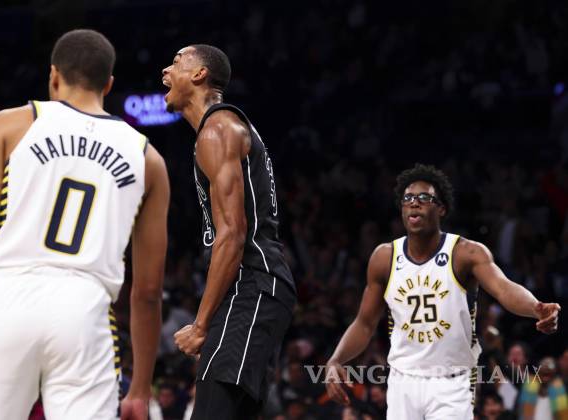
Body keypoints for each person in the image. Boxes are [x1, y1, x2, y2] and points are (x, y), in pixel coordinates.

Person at [0, 29, 169, 420]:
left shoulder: (10, 125)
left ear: (53, 76)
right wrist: (140, 388)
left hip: (5, 297)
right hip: (85, 309)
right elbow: (148, 291)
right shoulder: (148, 159)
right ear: (109, 84)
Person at [325, 164, 560, 419]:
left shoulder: (465, 253)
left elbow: (504, 289)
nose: (414, 203)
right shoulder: (384, 258)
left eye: (424, 198)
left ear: (441, 208)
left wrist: (536, 308)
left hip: (453, 382)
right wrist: (335, 359)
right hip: (403, 381)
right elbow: (364, 323)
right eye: (407, 199)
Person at [162, 44, 297, 419]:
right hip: (256, 288)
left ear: (199, 74)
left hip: (252, 284)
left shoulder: (217, 130)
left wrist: (200, 324)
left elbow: (233, 234)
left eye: (176, 62)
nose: (165, 71)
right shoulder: (221, 129)